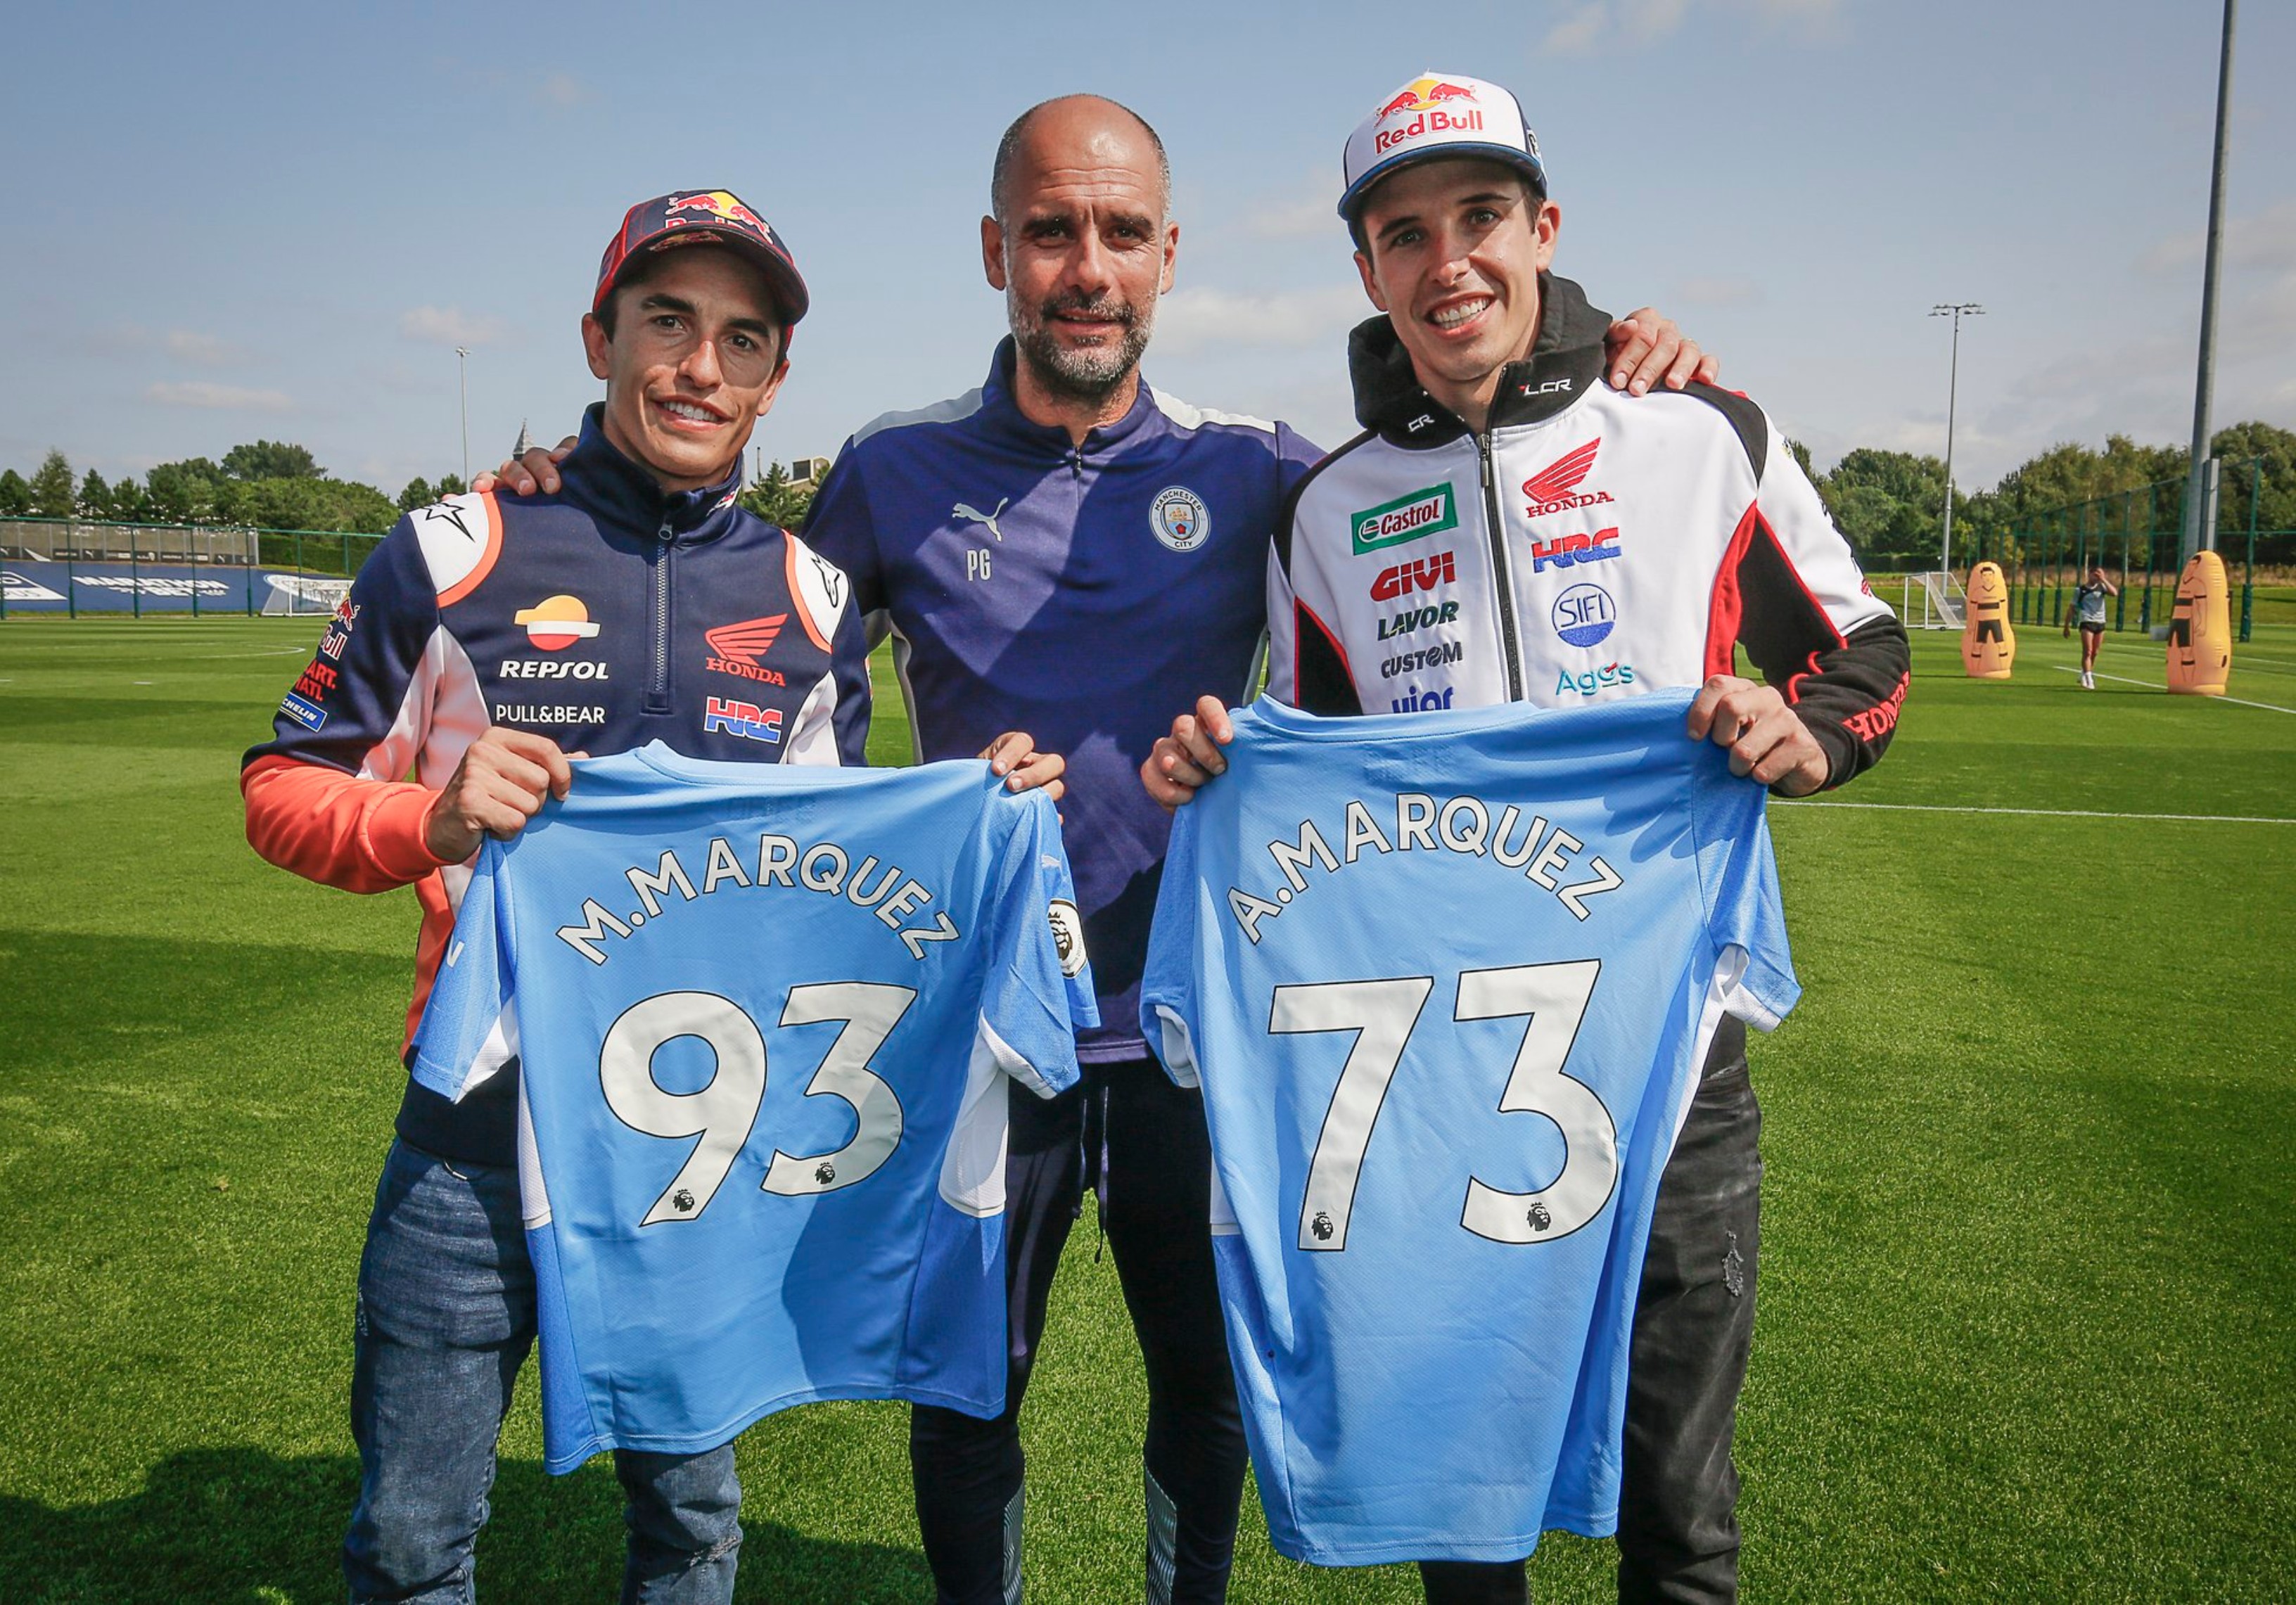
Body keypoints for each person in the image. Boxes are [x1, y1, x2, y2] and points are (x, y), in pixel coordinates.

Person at [487, 96, 1714, 1605]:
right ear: (998, 250)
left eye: (1121, 233)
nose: (1088, 266)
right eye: (1053, 230)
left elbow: (1452, 488)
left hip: (1206, 1032)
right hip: (982, 1036)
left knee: (1204, 1388)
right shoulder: (892, 471)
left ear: (1169, 256)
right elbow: (740, 603)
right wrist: (580, 480)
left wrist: (1607, 350)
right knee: (969, 1388)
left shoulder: (1264, 468)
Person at [1143, 72, 1911, 1605]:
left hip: (1668, 1069)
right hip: (1433, 1081)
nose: (1451, 265)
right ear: (1367, 270)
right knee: (1461, 1503)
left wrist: (1806, 733)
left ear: (1544, 229)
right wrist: (1221, 767)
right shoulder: (1328, 508)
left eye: (1482, 218)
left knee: (1679, 1517)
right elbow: (1319, 771)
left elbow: (1869, 650)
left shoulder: (1701, 434)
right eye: (1406, 234)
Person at [241, 190, 1060, 1605]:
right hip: (479, 1130)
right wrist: (422, 817)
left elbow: (827, 872)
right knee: (414, 1536)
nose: (699, 365)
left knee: (690, 1530)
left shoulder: (809, 597)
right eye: (666, 322)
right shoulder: (460, 547)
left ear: (774, 378)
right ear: (599, 336)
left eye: (741, 340)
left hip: (700, 1142)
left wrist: (970, 802)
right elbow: (279, 785)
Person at [2065, 564, 2118, 687]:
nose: (2097, 577)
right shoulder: (2080, 590)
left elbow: (2114, 593)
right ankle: (2089, 678)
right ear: (2090, 574)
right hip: (2087, 622)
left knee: (2095, 652)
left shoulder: (2102, 588)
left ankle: (2084, 673)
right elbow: (2072, 608)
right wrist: (2066, 626)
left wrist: (2103, 580)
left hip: (2100, 622)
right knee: (2088, 651)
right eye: (2096, 574)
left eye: (2100, 574)